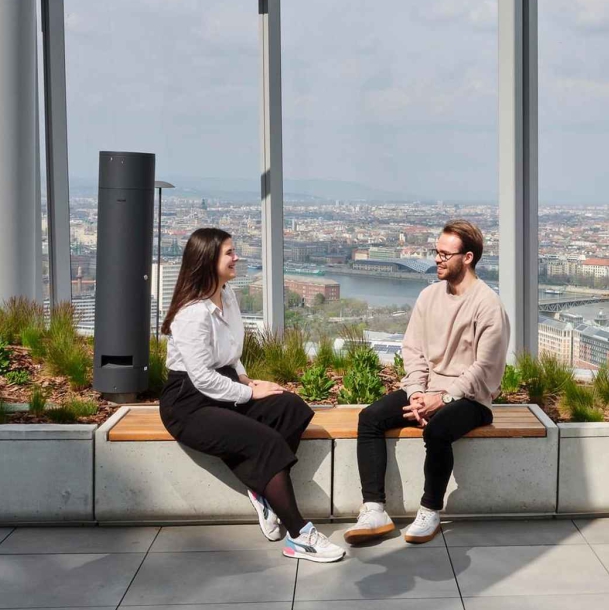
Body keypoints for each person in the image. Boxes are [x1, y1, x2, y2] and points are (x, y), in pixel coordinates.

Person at [158, 227, 344, 563]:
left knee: (292, 408)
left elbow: (231, 350)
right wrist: (247, 392)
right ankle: (300, 536)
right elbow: (201, 378)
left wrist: (246, 378)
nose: (236, 257)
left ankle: (261, 487)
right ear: (207, 260)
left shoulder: (226, 295)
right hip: (188, 403)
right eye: (229, 252)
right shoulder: (191, 314)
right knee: (266, 443)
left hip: (225, 384)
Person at [344, 220, 511, 545]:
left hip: (472, 399)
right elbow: (414, 350)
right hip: (427, 391)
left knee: (437, 431)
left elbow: (484, 370)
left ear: (468, 258)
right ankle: (374, 508)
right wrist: (418, 392)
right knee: (370, 419)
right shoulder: (428, 296)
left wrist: (443, 399)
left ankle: (430, 510)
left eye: (445, 254)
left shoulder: (488, 305)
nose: (437, 259)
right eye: (436, 252)